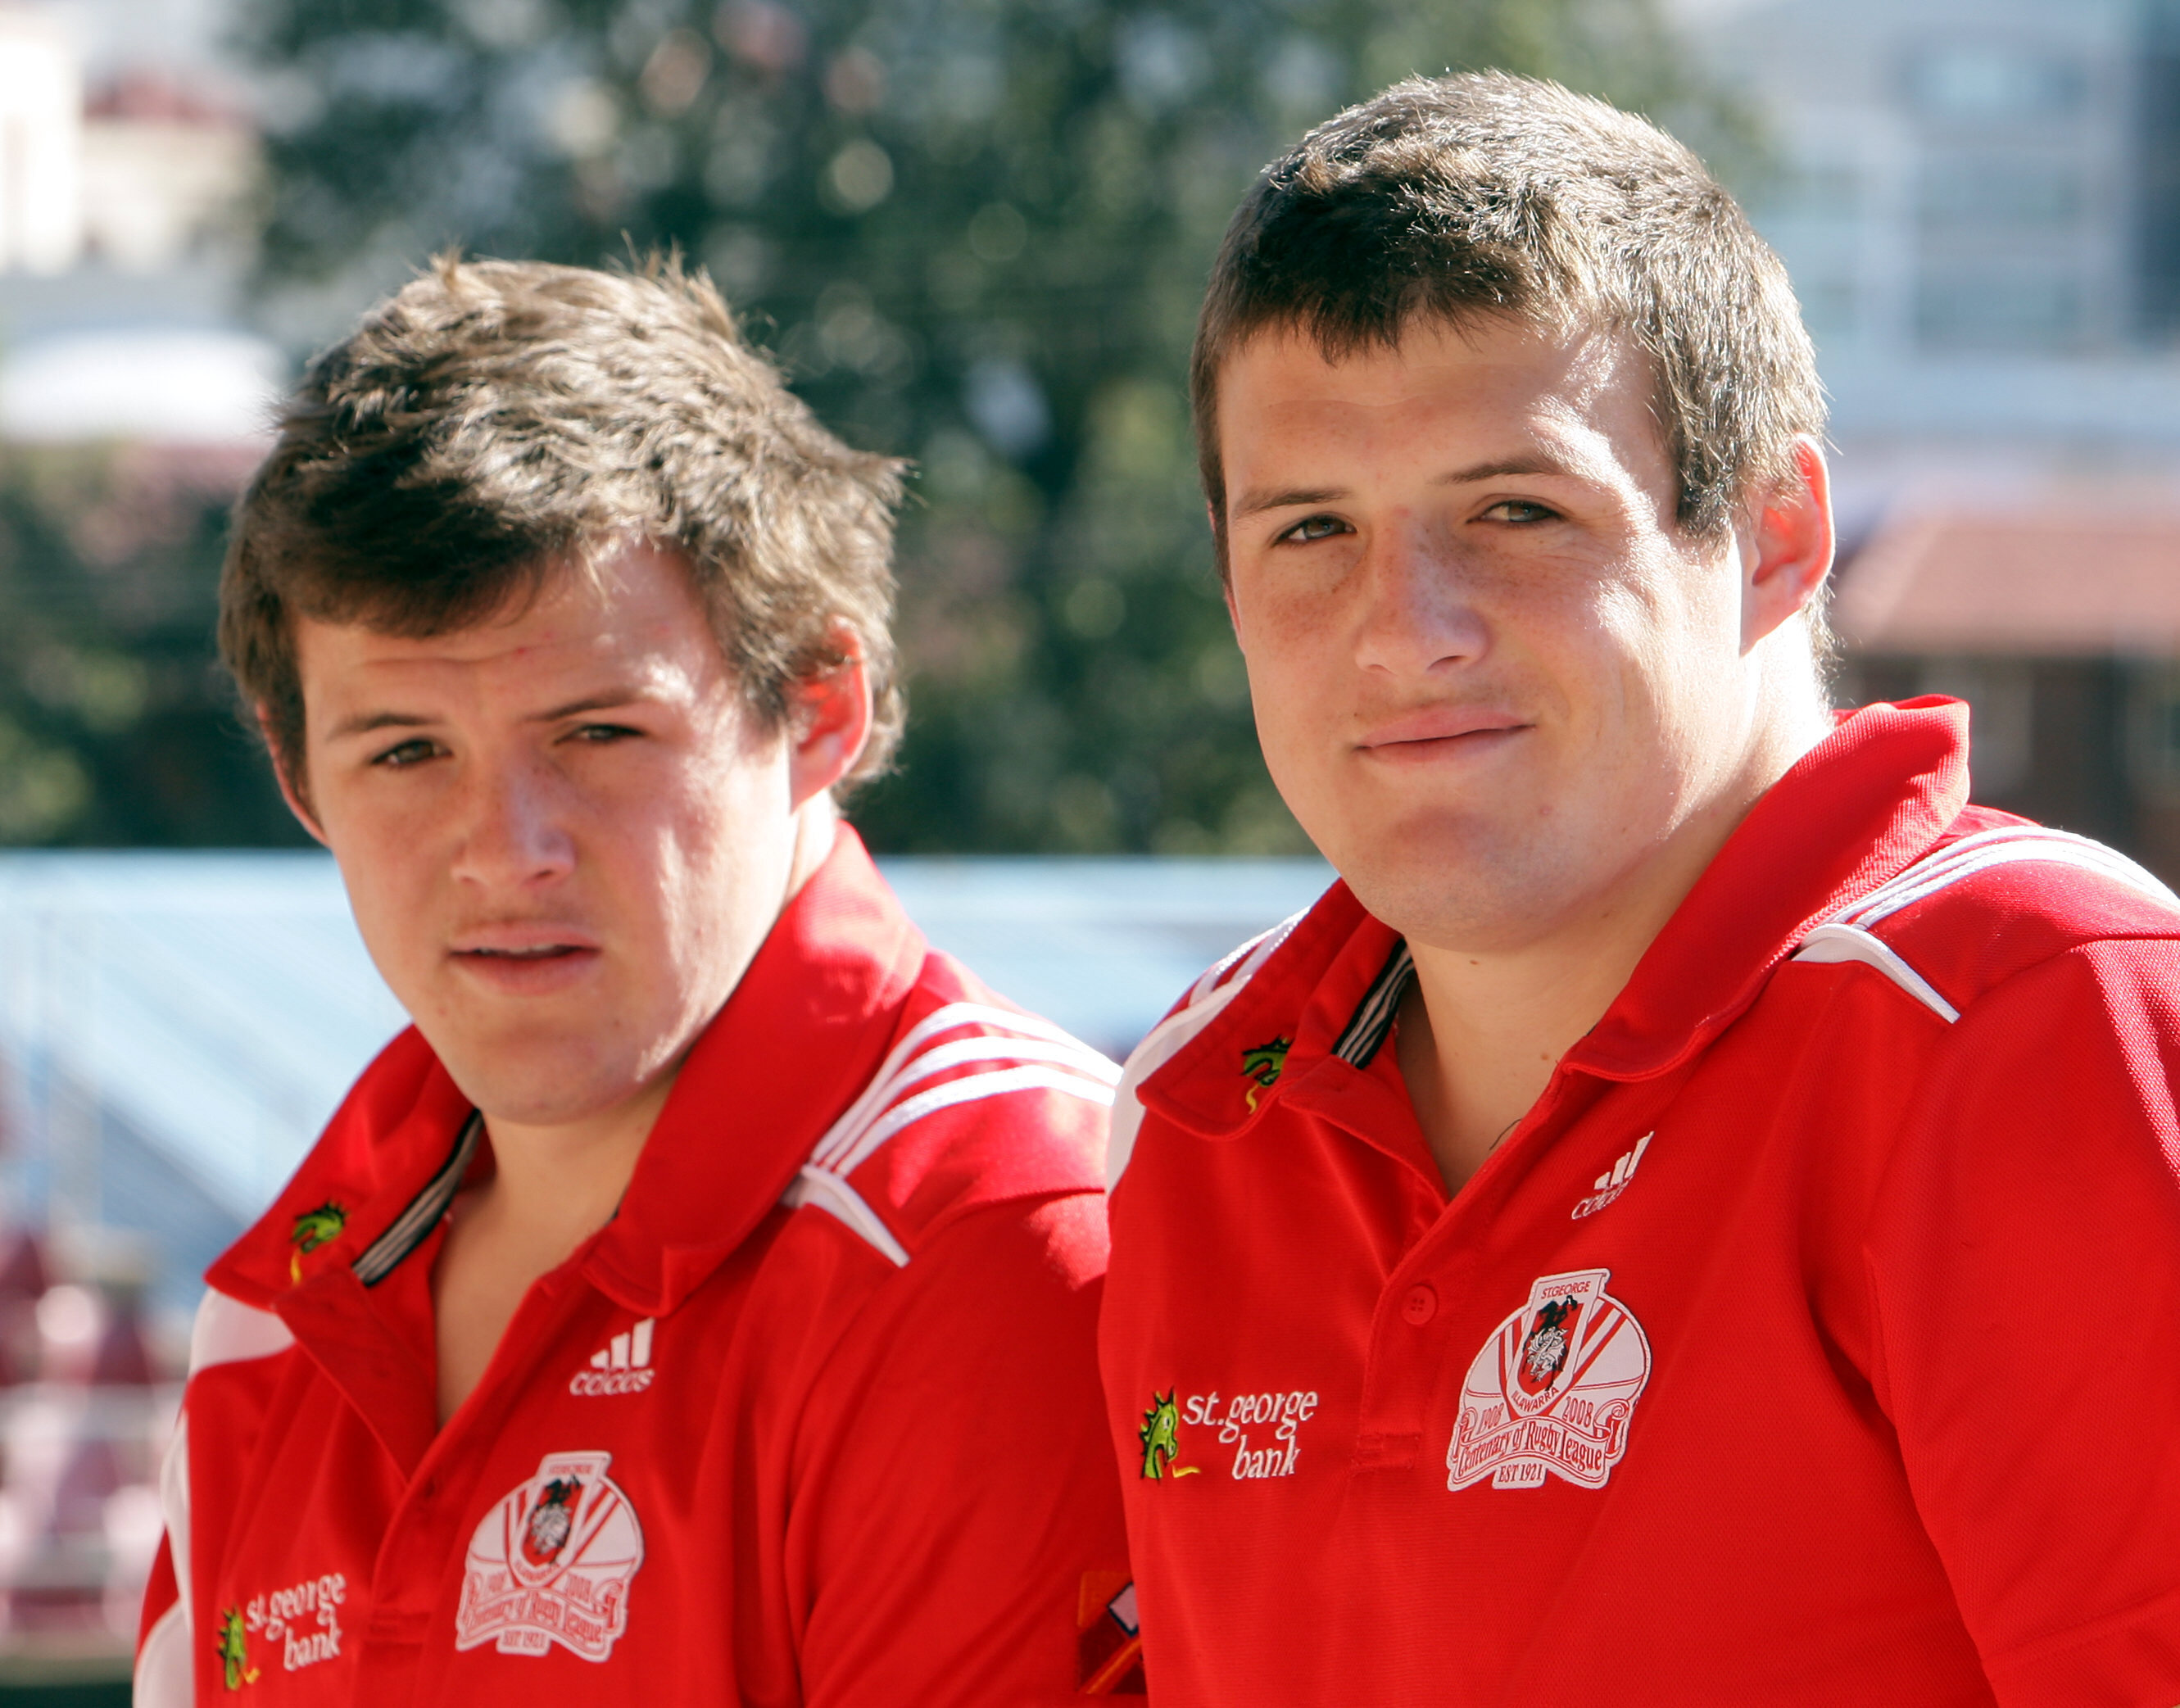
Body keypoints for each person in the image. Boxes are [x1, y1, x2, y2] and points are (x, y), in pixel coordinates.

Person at [1099, 71, 2180, 1705]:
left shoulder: (2028, 1011)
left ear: (1773, 536)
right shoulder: (1196, 1116)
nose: (1406, 626)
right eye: (1310, 529)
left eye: (1513, 509)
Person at [135, 256, 1144, 1706]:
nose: (507, 852)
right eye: (407, 750)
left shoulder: (1001, 1225)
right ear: (298, 774)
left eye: (597, 733)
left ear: (817, 705)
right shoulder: (271, 1313)